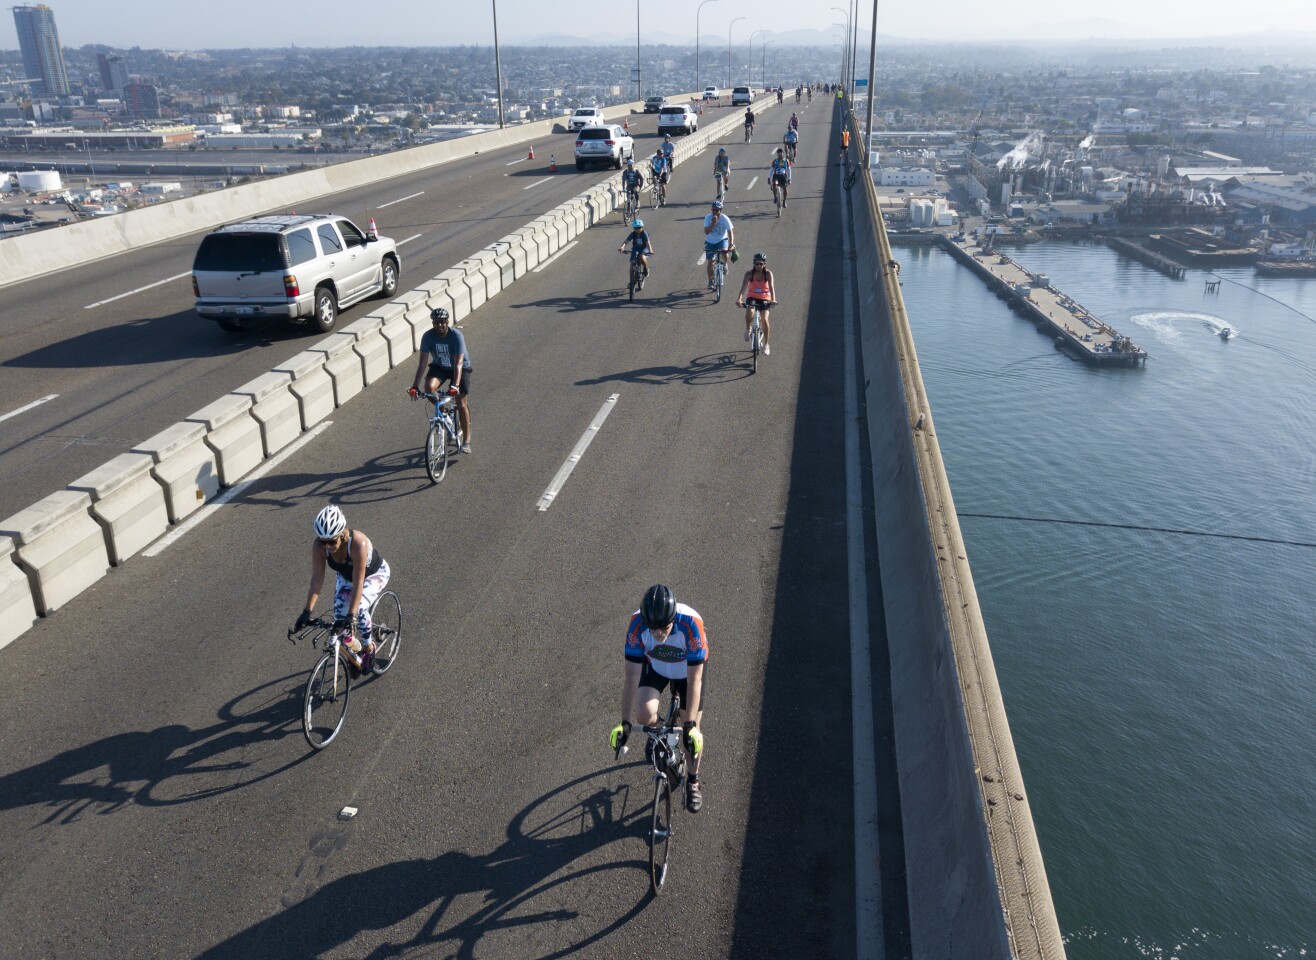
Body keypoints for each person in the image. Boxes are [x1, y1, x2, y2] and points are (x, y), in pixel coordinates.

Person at [608, 585, 708, 813]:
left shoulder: (691, 624)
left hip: (687, 673)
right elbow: (632, 677)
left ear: (673, 619)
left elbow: (695, 681)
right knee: (643, 714)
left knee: (691, 734)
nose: (659, 634)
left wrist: (691, 725)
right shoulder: (636, 625)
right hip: (657, 668)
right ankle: (657, 734)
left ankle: (692, 781)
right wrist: (625, 722)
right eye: (653, 629)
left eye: (664, 628)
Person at [294, 505, 390, 672]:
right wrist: (306, 612)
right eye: (323, 541)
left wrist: (351, 615)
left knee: (359, 610)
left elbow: (359, 582)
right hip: (346, 577)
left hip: (372, 575)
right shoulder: (319, 547)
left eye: (332, 541)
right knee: (339, 623)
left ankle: (369, 649)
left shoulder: (358, 543)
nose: (327, 546)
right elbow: (317, 580)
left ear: (342, 534)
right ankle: (356, 651)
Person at [409, 307, 472, 454]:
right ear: (433, 323)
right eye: (437, 323)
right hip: (440, 366)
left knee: (460, 402)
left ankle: (467, 441)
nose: (440, 325)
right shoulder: (428, 336)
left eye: (443, 322)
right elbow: (423, 363)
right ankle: (444, 414)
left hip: (461, 369)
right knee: (429, 389)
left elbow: (459, 363)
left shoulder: (456, 336)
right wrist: (415, 386)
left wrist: (455, 386)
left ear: (447, 322)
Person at [737, 251, 776, 356]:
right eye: (757, 264)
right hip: (752, 297)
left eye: (761, 264)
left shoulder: (768, 274)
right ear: (754, 264)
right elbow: (744, 287)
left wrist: (773, 299)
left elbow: (771, 287)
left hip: (765, 298)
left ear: (764, 264)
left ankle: (766, 344)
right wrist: (739, 299)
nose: (759, 266)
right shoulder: (749, 274)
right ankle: (748, 328)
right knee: (750, 311)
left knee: (765, 319)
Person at [703, 199, 735, 290]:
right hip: (710, 241)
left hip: (722, 240)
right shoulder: (708, 218)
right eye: (713, 210)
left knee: (724, 253)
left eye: (717, 210)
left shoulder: (725, 218)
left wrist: (731, 244)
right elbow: (706, 232)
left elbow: (730, 231)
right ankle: (711, 281)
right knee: (710, 262)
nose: (715, 212)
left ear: (720, 210)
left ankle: (725, 264)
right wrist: (713, 223)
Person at [618, 217, 654, 283]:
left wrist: (650, 251)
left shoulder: (644, 233)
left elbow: (648, 243)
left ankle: (645, 268)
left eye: (639, 228)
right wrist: (622, 247)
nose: (637, 229)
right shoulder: (633, 234)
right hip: (636, 248)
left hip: (644, 248)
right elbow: (626, 241)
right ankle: (631, 281)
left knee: (642, 257)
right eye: (635, 228)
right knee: (632, 264)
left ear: (642, 227)